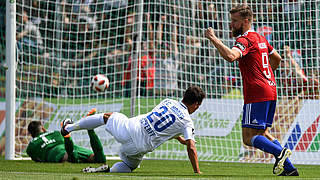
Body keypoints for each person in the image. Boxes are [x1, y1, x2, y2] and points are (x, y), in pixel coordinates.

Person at [205, 4, 298, 176]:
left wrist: (213, 38)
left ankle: (280, 153)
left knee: (248, 138)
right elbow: (276, 57)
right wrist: (267, 74)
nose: (231, 24)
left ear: (246, 21)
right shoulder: (260, 38)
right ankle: (289, 167)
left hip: (256, 92)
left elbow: (231, 56)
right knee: (263, 133)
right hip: (271, 89)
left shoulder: (245, 40)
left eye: (235, 21)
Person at [60, 85, 205, 174]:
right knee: (129, 166)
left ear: (184, 96)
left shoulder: (168, 101)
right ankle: (109, 171)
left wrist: (178, 137)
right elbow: (190, 146)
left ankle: (68, 128)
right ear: (196, 104)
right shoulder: (187, 121)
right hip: (138, 147)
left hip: (130, 129)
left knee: (107, 117)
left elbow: (162, 121)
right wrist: (196, 171)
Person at [26, 108, 106, 163]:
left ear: (31, 134)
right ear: (43, 128)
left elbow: (37, 159)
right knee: (100, 159)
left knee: (70, 157)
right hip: (72, 147)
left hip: (56, 153)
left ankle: (66, 134)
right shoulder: (55, 133)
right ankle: (90, 128)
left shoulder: (31, 145)